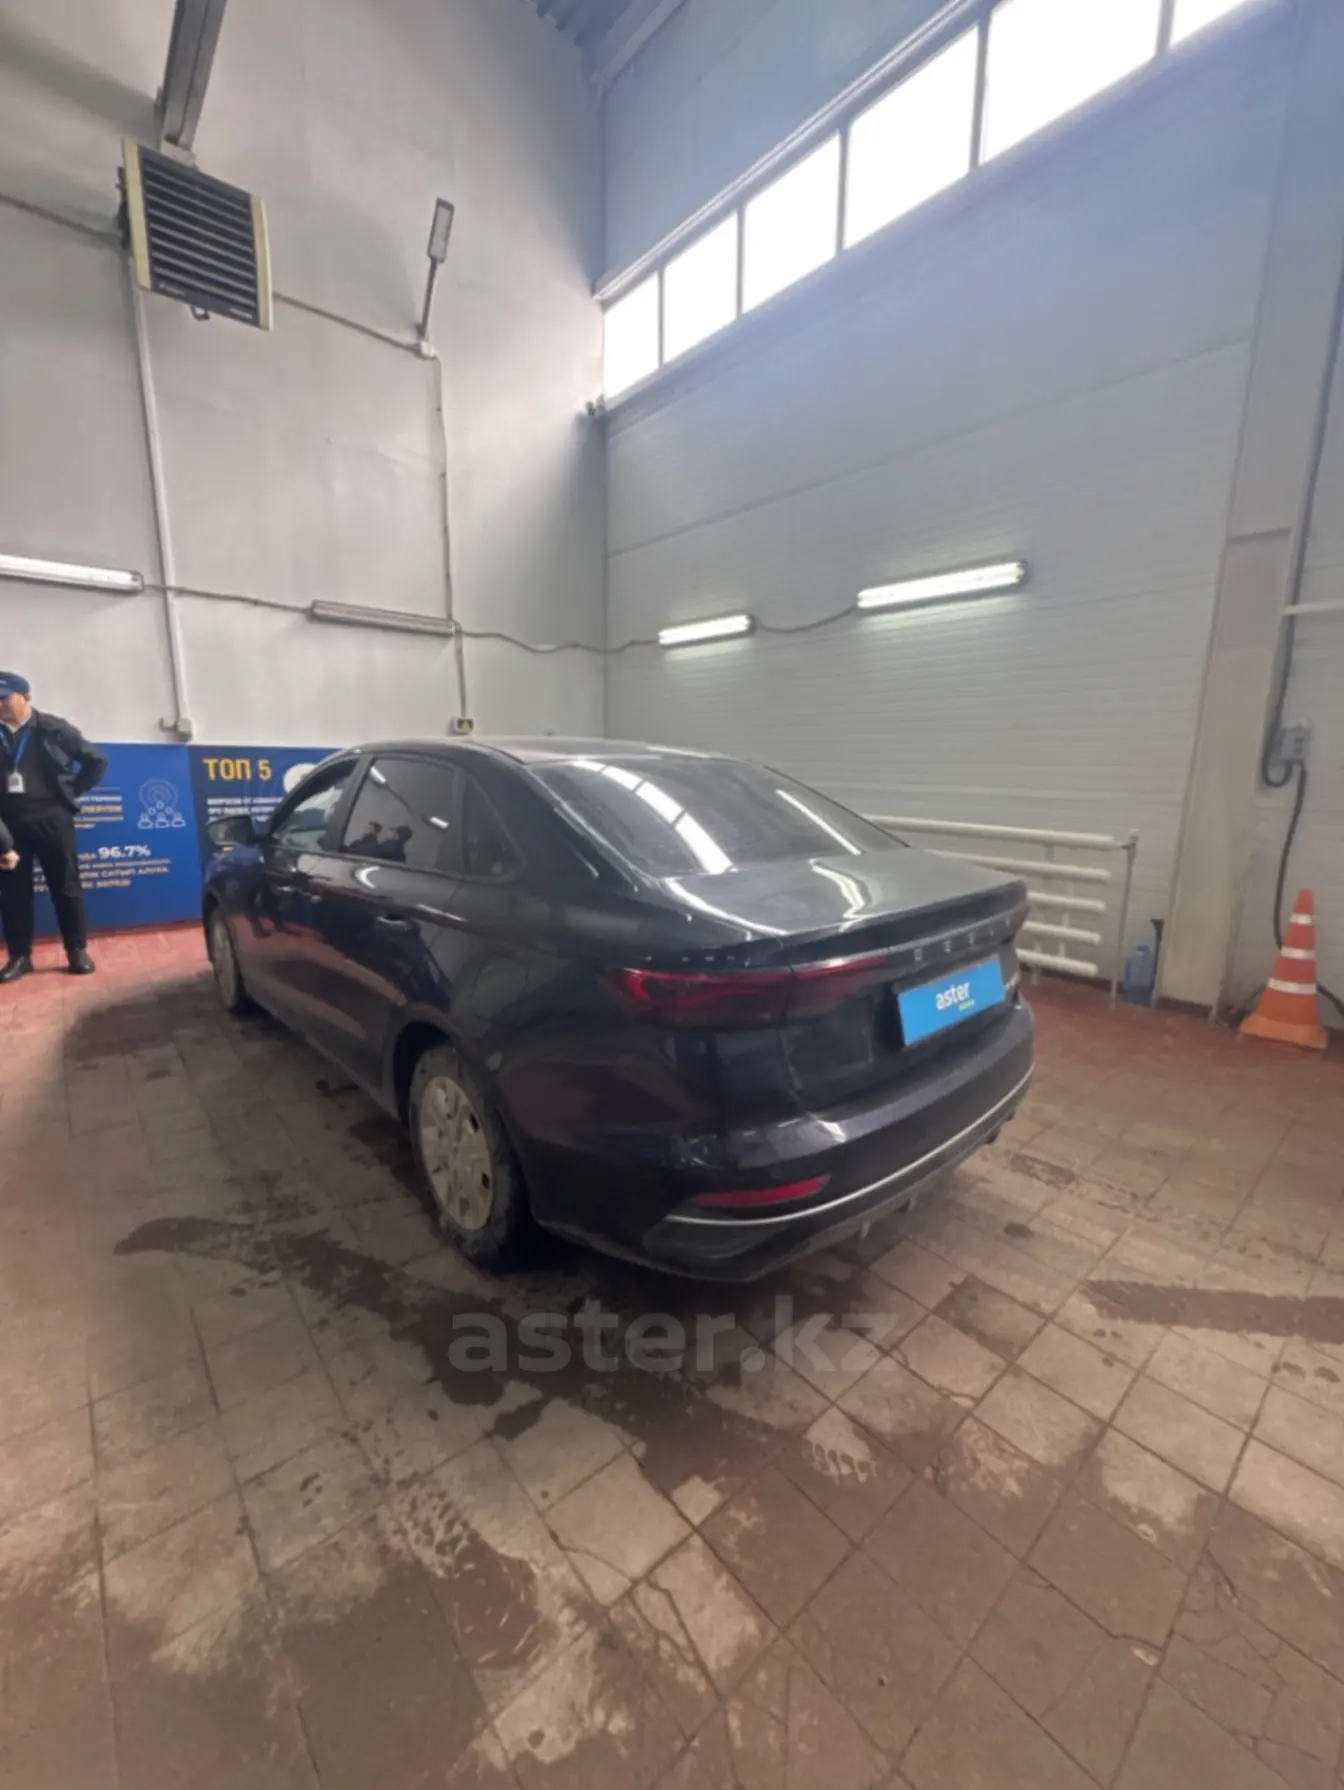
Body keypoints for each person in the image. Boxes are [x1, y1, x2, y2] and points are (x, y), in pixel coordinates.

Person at [0, 673, 109, 982]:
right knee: (13, 893)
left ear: (26, 697)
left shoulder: (53, 728)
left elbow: (96, 761)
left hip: (53, 820)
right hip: (9, 828)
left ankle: (76, 950)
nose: (0, 705)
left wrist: (69, 794)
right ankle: (20, 957)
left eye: (5, 698)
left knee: (66, 887)